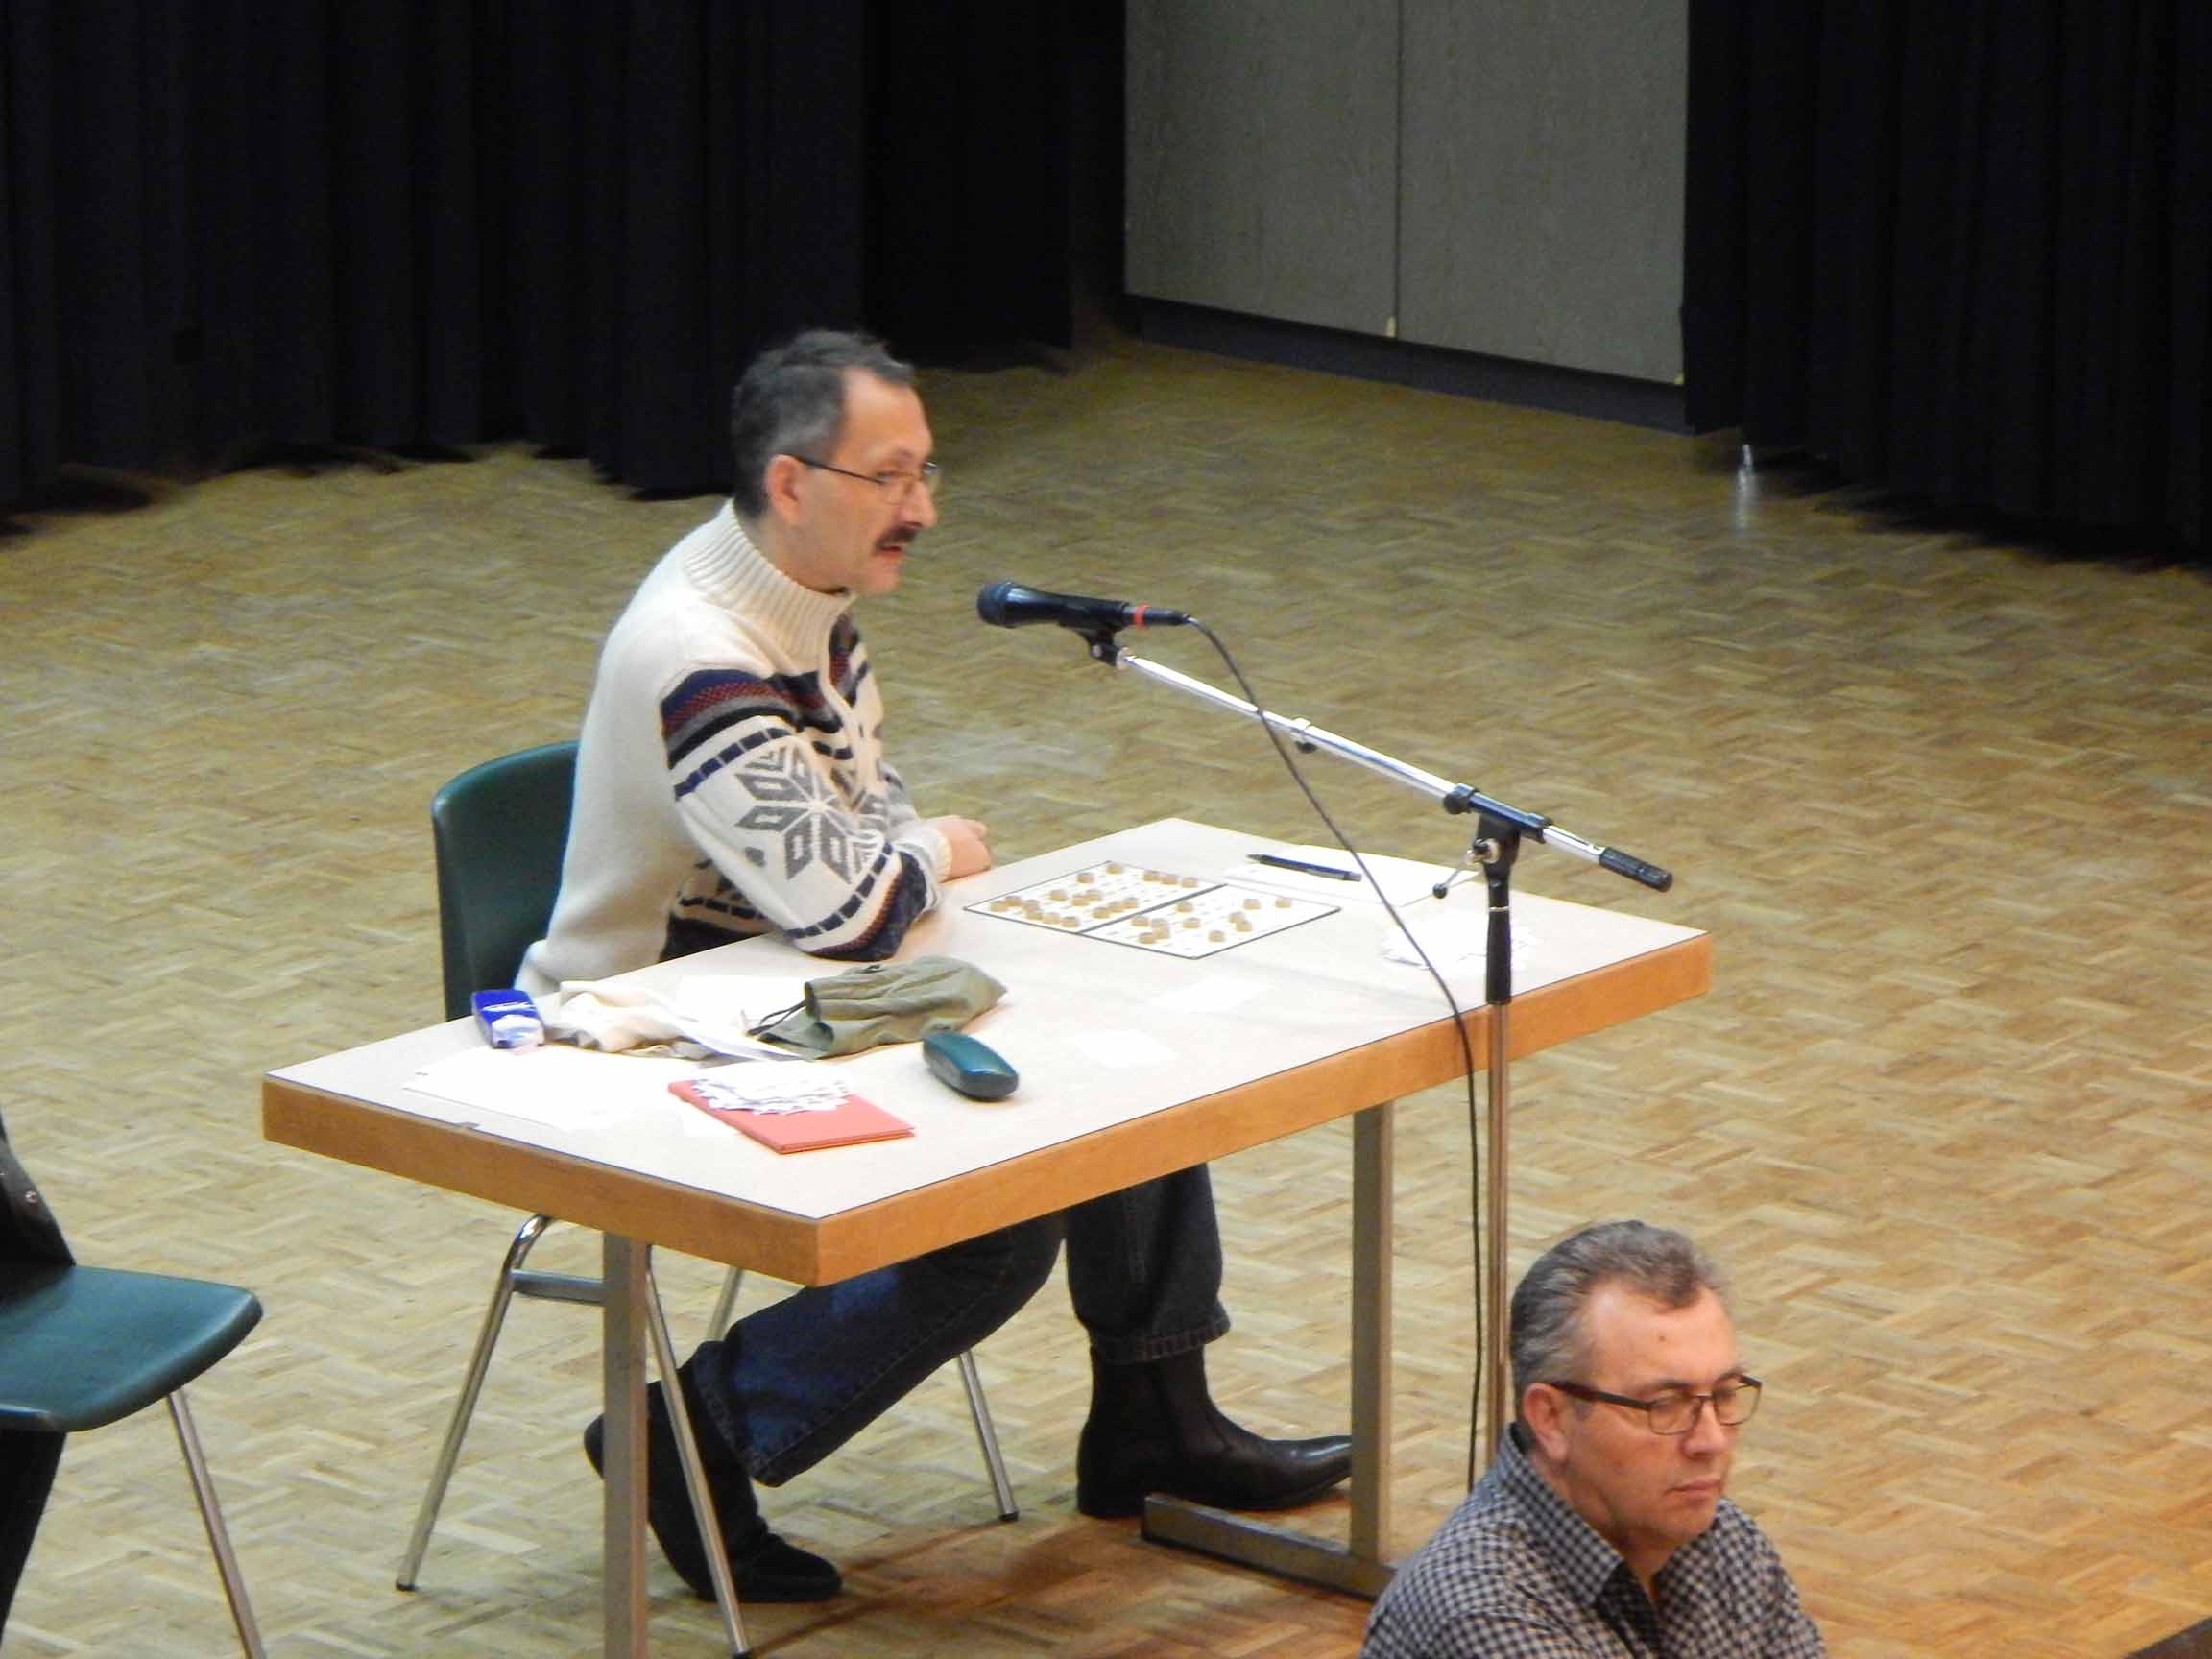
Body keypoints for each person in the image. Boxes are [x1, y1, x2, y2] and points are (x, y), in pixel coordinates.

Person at [520, 328, 1351, 1602]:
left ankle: (1155, 1418)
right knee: (995, 1226)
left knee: (1128, 1062)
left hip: (787, 982)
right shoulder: (703, 647)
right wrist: (927, 851)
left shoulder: (805, 599)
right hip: (657, 1024)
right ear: (794, 484)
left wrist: (904, 855)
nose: (924, 509)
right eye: (891, 477)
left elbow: (863, 831)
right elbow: (856, 904)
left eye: (927, 473)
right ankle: (688, 1431)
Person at [1362, 1221, 1823, 1657]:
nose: (1711, 1442)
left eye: (1723, 1395)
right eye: (1664, 1405)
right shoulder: (1482, 1613)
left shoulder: (1727, 1544)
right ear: (1552, 1418)